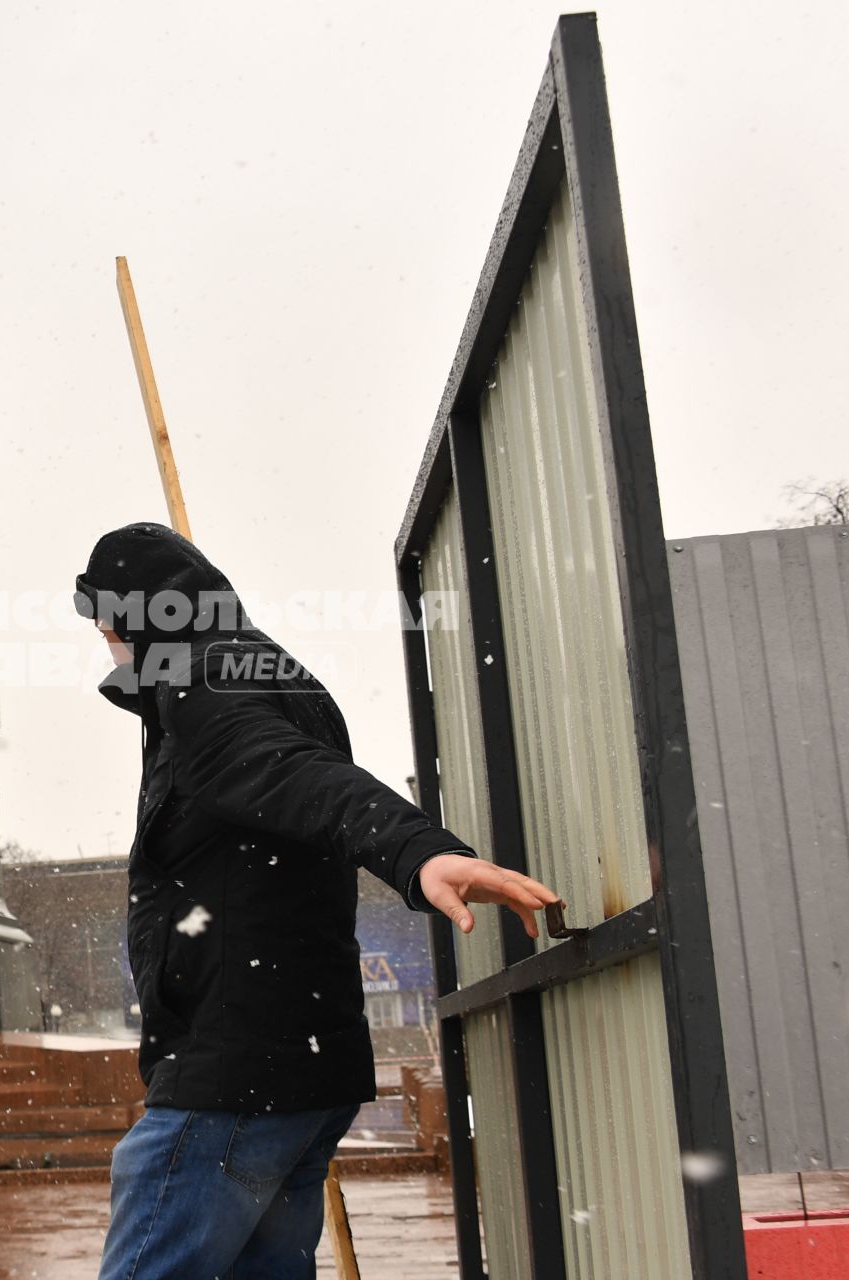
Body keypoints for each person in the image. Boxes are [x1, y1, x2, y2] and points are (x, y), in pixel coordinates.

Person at [77, 522, 561, 1279]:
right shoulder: (268, 670)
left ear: (139, 611)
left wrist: (418, 849)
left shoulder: (202, 679)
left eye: (101, 614)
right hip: (298, 1068)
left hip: (232, 1076)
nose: (101, 633)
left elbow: (290, 774)